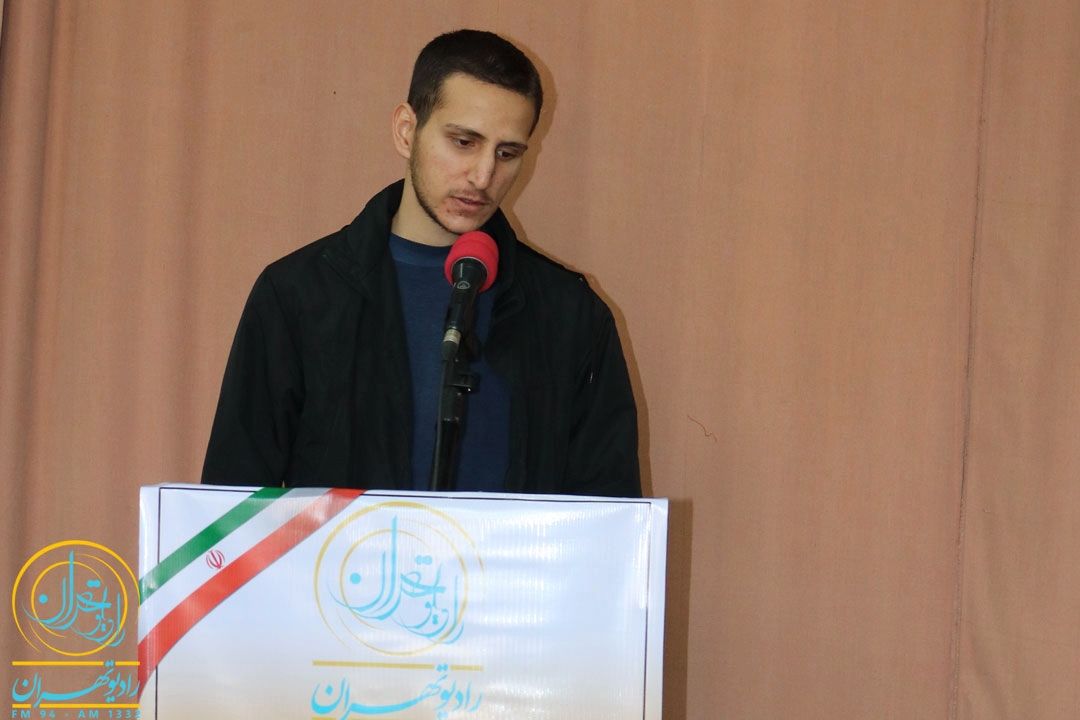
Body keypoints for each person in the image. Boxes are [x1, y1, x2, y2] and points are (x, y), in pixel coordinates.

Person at [201, 29, 640, 497]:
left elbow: (609, 516)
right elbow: (231, 506)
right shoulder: (298, 296)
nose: (484, 176)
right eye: (464, 141)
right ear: (406, 130)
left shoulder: (571, 315)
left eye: (507, 153)